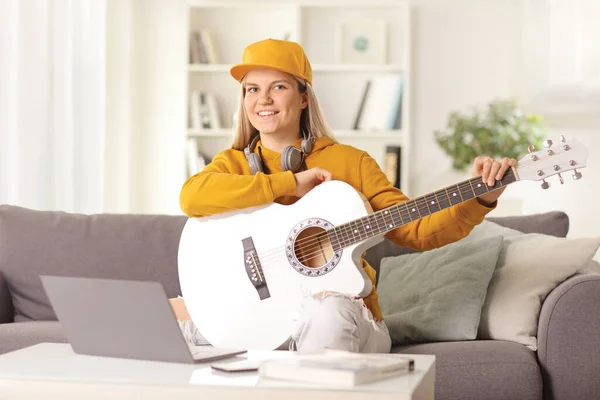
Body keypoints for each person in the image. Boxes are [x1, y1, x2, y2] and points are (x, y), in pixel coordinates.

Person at [173, 38, 516, 353]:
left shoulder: (350, 161)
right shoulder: (231, 164)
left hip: (347, 317)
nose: (263, 99)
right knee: (164, 317)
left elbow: (416, 230)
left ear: (303, 96)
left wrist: (480, 197)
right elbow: (191, 198)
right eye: (252, 89)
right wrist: (288, 184)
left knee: (328, 310)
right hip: (268, 318)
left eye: (278, 86)